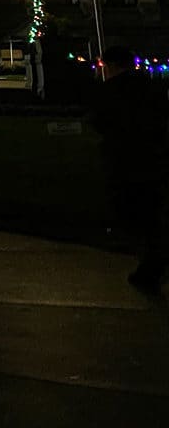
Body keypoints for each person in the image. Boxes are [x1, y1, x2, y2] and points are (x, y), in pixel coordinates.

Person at [92, 45, 168, 293]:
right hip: (152, 156)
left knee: (135, 213)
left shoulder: (110, 91)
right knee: (151, 210)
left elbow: (99, 122)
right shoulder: (150, 87)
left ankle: (152, 263)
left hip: (125, 159)